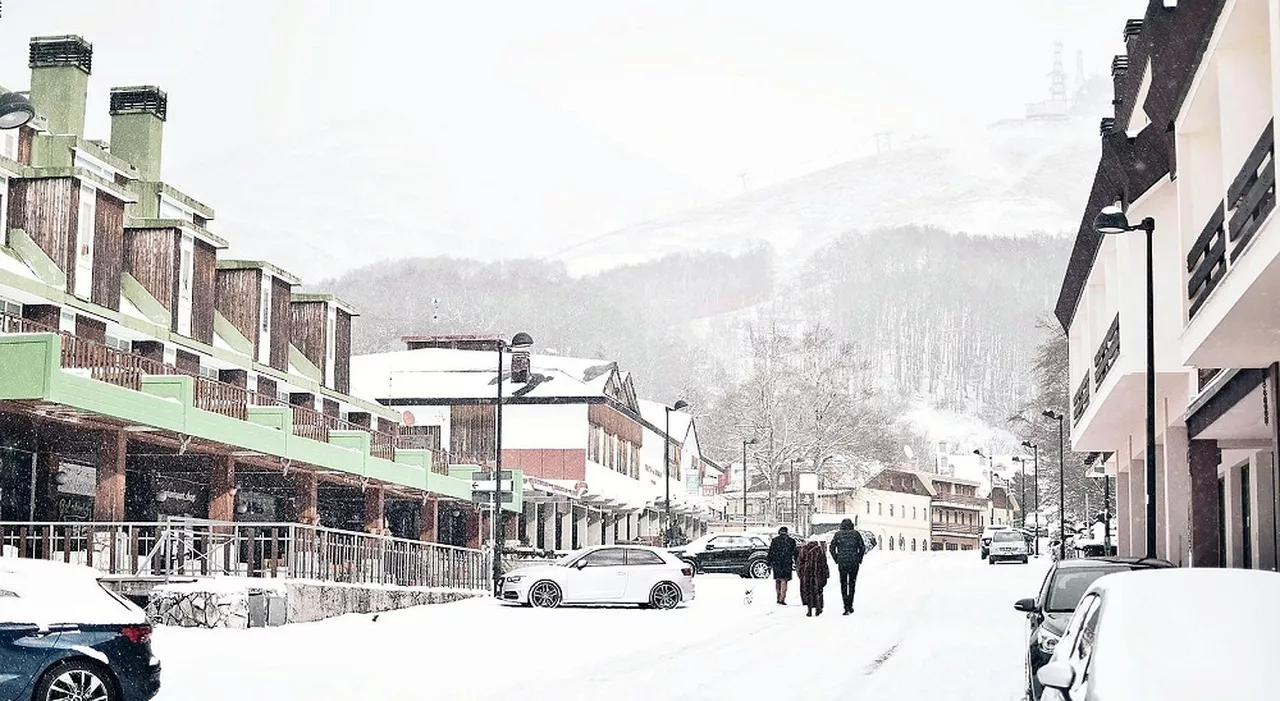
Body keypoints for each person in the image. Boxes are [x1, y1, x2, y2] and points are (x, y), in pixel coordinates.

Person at [828, 518, 866, 615]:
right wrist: (859, 557)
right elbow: (862, 547)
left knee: (843, 584)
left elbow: (832, 548)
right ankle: (850, 605)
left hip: (842, 562)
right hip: (854, 561)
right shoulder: (856, 534)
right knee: (852, 584)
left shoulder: (838, 534)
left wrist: (836, 558)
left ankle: (846, 607)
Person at [797, 540, 829, 617]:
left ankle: (809, 609)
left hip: (806, 574)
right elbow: (824, 564)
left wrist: (800, 574)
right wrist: (826, 575)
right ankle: (818, 607)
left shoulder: (803, 549)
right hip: (818, 574)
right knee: (818, 591)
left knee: (808, 591)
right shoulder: (820, 550)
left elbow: (799, 562)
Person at [767, 526, 798, 605]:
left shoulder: (775, 540)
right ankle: (782, 599)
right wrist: (797, 562)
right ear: (787, 532)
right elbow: (795, 553)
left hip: (776, 563)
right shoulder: (791, 541)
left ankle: (778, 596)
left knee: (777, 580)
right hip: (786, 563)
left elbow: (770, 552)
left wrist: (769, 562)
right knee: (784, 580)